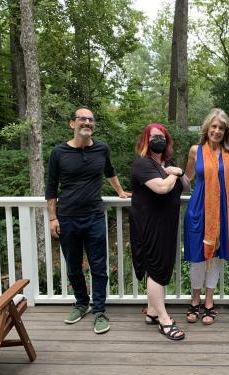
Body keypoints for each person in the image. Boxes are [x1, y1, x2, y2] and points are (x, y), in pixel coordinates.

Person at [45, 106, 131, 334]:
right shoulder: (58, 152)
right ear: (72, 124)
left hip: (94, 217)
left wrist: (120, 192)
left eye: (90, 120)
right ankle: (81, 303)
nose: (87, 123)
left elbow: (109, 171)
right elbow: (51, 186)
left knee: (98, 267)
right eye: (82, 119)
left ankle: (99, 311)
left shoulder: (102, 149)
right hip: (67, 218)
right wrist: (52, 217)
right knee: (73, 267)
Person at [130, 123, 189, 341]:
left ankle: (152, 312)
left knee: (162, 267)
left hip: (166, 224)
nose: (158, 140)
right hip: (149, 225)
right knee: (155, 269)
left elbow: (187, 186)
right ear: (146, 140)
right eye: (154, 136)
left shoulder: (168, 163)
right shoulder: (142, 164)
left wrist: (178, 171)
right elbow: (162, 188)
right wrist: (173, 174)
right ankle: (164, 321)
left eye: (162, 136)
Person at [183, 108, 229, 325]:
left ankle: (209, 302)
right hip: (198, 209)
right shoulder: (194, 151)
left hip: (223, 211)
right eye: (213, 126)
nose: (217, 131)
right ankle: (194, 301)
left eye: (221, 128)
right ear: (207, 128)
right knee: (197, 256)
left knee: (215, 257)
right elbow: (186, 179)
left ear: (226, 132)